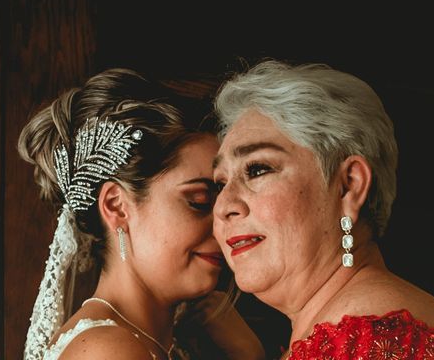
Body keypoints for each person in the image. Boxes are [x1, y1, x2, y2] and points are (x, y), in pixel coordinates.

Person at [211, 60, 434, 359]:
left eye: (258, 169)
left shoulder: (374, 341)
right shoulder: (339, 330)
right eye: (220, 183)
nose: (224, 205)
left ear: (349, 186)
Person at [19, 68, 265, 360]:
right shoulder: (107, 351)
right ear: (116, 206)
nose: (223, 222)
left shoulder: (172, 343)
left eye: (223, 196)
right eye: (199, 201)